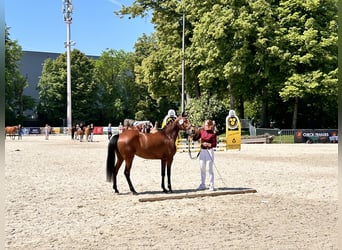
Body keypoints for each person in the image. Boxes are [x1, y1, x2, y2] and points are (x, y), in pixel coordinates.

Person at [197, 120, 217, 191]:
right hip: (202, 151)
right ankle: (202, 184)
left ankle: (211, 185)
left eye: (206, 125)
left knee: (209, 168)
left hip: (209, 151)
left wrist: (208, 144)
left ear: (210, 126)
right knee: (202, 168)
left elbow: (214, 144)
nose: (205, 126)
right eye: (204, 125)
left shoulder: (213, 134)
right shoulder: (202, 131)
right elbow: (196, 137)